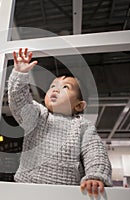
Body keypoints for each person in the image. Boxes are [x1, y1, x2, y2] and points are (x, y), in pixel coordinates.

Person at [8, 48, 112, 197]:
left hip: (66, 193)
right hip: (26, 188)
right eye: (53, 86)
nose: (55, 90)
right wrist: (20, 75)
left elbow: (94, 152)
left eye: (65, 87)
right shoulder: (39, 115)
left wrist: (95, 175)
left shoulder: (83, 126)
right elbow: (19, 103)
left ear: (79, 105)